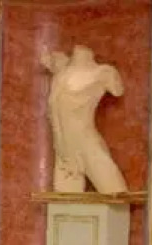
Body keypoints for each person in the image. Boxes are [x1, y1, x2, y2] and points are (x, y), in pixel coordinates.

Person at [41, 45, 128, 194]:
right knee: (65, 200)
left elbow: (117, 90)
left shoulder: (102, 73)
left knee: (113, 191)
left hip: (86, 140)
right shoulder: (61, 72)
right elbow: (45, 59)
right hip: (62, 145)